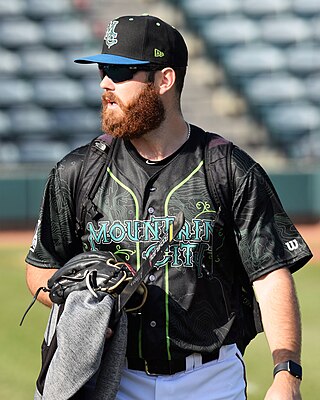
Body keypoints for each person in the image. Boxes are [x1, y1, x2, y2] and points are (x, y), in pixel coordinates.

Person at [25, 14, 312, 400]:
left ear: (164, 80)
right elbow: (42, 266)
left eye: (121, 71)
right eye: (102, 70)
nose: (106, 83)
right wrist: (78, 298)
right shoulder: (77, 172)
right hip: (113, 376)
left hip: (210, 380)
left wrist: (286, 372)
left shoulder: (227, 169)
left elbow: (269, 274)